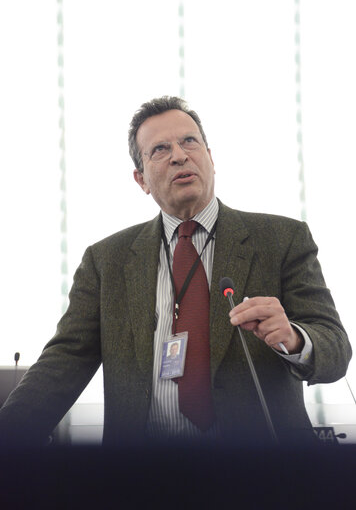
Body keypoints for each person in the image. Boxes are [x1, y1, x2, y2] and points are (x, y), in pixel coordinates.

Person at [0, 96, 351, 449]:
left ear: (211, 158)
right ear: (141, 180)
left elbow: (335, 351)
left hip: (259, 473)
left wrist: (294, 338)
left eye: (189, 141)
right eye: (160, 149)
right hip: (145, 478)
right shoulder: (106, 260)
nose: (179, 155)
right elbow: (64, 362)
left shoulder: (281, 240)